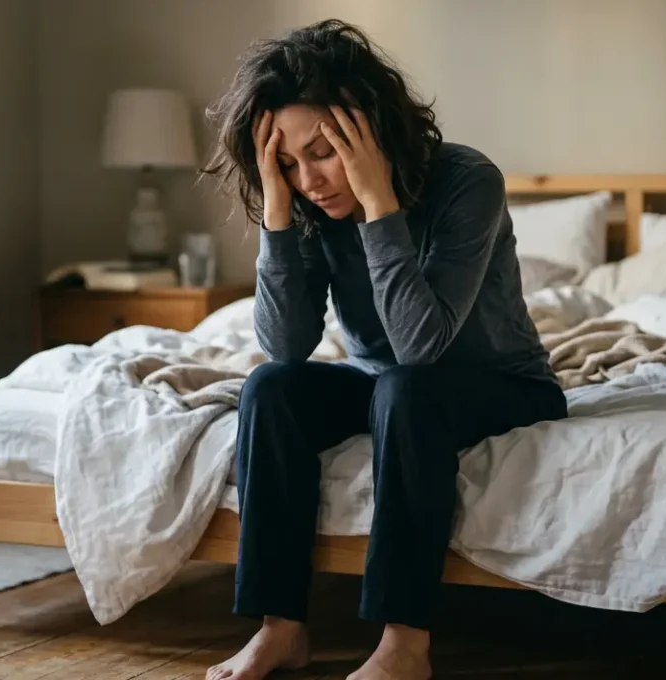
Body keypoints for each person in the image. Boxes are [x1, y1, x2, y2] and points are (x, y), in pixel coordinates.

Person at [199, 19, 569, 680]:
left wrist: (377, 200)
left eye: (322, 151)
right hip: (384, 383)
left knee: (406, 385)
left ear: (368, 128)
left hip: (499, 383)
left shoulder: (466, 181)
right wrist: (277, 217)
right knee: (270, 388)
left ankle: (405, 644)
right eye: (286, 162)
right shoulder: (308, 206)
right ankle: (281, 628)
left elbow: (420, 347)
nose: (309, 178)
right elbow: (285, 344)